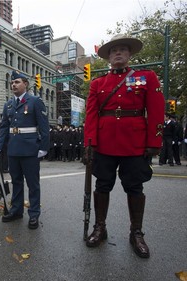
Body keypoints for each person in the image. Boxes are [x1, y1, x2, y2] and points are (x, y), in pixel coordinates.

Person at [84, 34, 165, 258]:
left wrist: (153, 142)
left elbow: (156, 111)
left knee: (135, 188)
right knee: (102, 185)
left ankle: (136, 233)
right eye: (113, 51)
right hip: (105, 143)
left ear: (129, 54)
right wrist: (89, 144)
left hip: (134, 143)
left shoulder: (146, 77)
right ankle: (100, 227)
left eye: (122, 49)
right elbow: (91, 116)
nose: (118, 53)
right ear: (108, 57)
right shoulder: (98, 83)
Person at [0, 70, 49, 230]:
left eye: (17, 82)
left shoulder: (35, 101)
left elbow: (44, 127)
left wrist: (44, 147)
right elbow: (4, 127)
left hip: (31, 149)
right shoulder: (8, 104)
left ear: (25, 84)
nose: (13, 85)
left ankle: (34, 214)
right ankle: (16, 210)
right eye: (12, 83)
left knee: (33, 184)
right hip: (13, 149)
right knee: (16, 181)